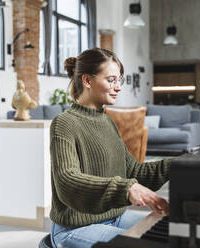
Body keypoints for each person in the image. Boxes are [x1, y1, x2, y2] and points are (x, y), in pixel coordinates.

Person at [49, 48, 170, 248]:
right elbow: (67, 182)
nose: (118, 87)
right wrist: (127, 187)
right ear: (87, 81)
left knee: (171, 232)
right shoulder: (64, 123)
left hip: (115, 217)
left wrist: (182, 164)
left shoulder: (107, 122)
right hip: (74, 228)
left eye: (119, 80)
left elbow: (134, 171)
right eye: (111, 80)